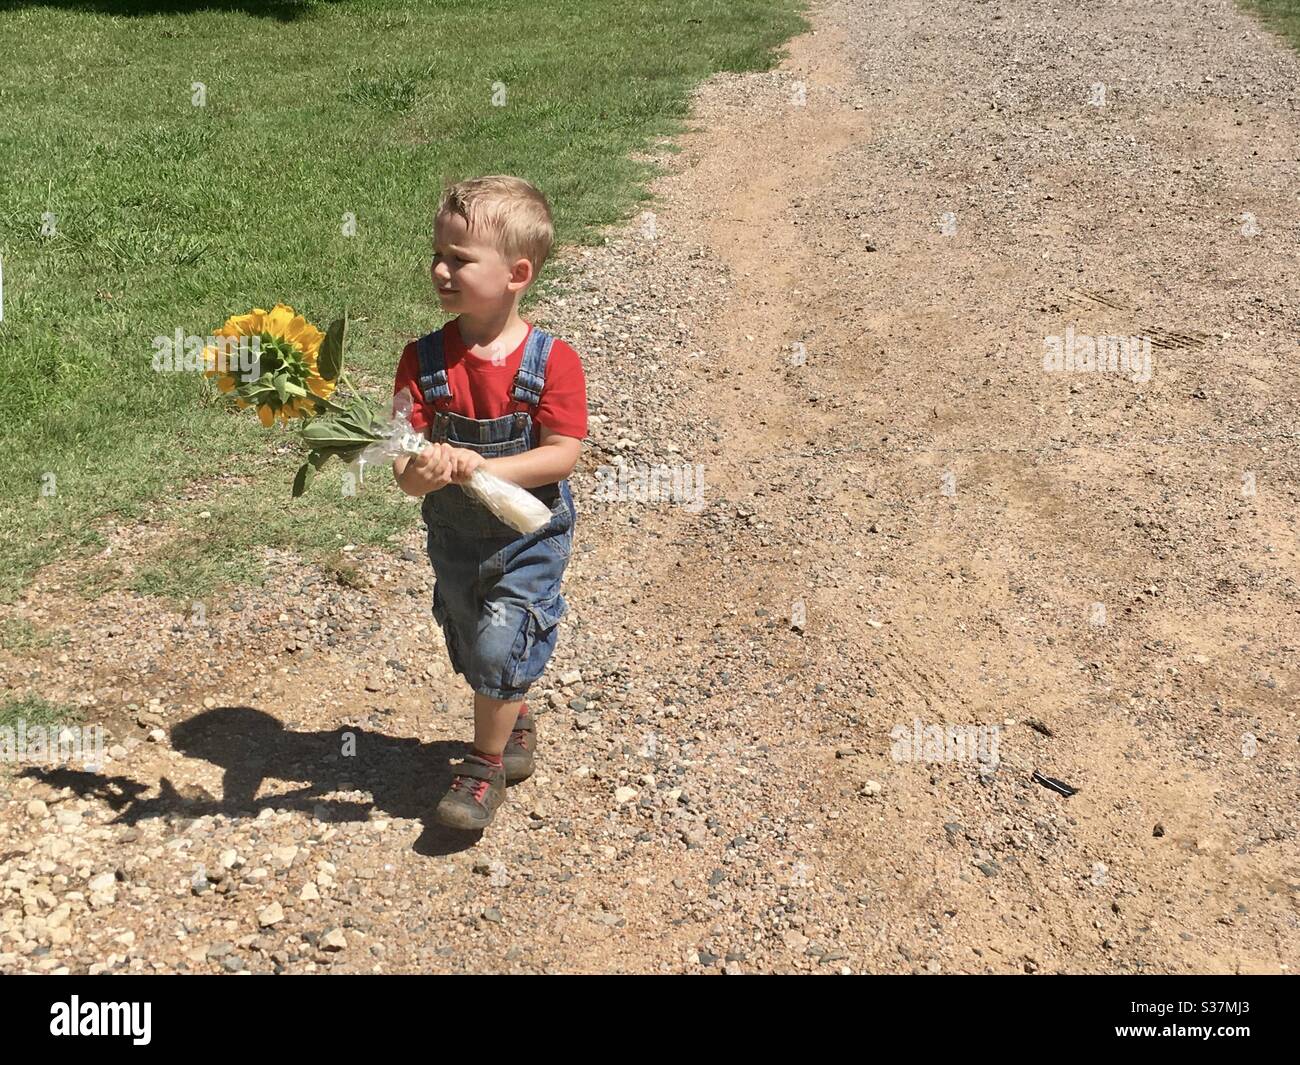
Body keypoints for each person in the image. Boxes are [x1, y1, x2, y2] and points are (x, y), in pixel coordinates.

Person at [392, 175, 588, 831]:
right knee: (474, 645)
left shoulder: (553, 361)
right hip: (455, 538)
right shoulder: (420, 363)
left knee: (504, 639)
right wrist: (424, 468)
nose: (440, 268)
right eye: (438, 253)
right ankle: (512, 713)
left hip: (528, 536)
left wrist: (484, 464)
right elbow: (403, 471)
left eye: (460, 258)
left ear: (517, 273)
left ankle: (482, 768)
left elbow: (562, 453)